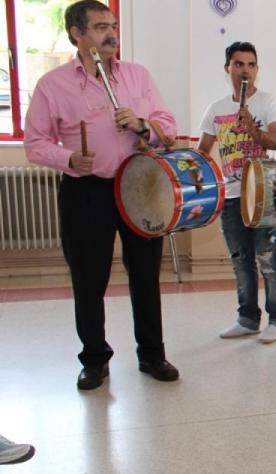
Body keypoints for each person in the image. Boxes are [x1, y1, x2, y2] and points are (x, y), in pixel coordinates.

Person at [24, 0, 180, 390]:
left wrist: (142, 124)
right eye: (99, 27)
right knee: (89, 279)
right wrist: (68, 158)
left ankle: (152, 354)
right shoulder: (53, 85)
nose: (111, 34)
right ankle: (94, 359)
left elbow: (167, 124)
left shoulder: (137, 75)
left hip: (139, 186)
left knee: (145, 275)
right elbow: (34, 143)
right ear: (77, 34)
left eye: (112, 26)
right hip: (86, 190)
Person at [198, 41, 276, 344]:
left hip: (266, 193)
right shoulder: (216, 109)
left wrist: (254, 131)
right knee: (241, 259)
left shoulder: (269, 102)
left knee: (268, 258)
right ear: (228, 69)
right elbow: (203, 150)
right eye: (238, 64)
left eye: (250, 64)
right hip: (232, 194)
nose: (245, 70)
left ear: (257, 70)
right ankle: (248, 318)